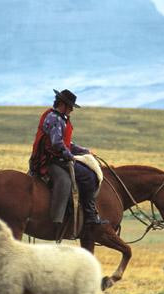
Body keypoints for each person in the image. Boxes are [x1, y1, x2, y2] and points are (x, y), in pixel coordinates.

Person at [29, 89, 107, 239]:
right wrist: (70, 157)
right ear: (63, 105)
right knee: (87, 176)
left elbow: (66, 143)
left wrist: (85, 151)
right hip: (51, 160)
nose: (72, 110)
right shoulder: (54, 118)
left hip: (57, 157)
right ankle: (89, 216)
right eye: (70, 106)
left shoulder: (59, 118)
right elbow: (57, 144)